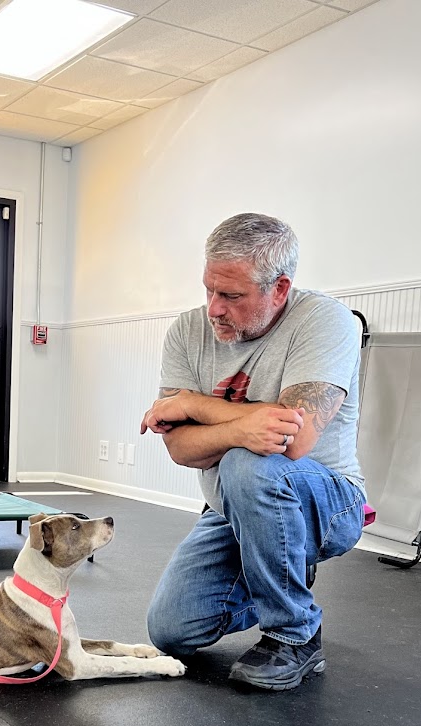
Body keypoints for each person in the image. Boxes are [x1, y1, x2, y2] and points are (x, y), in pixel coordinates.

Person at [139, 212, 366, 691]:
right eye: (209, 290)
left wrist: (193, 405)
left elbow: (294, 440)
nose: (214, 309)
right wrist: (244, 427)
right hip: (229, 505)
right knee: (171, 630)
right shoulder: (187, 331)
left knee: (249, 463)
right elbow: (180, 447)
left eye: (232, 296)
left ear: (279, 288)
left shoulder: (327, 321)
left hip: (329, 499)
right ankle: (276, 564)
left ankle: (295, 633)